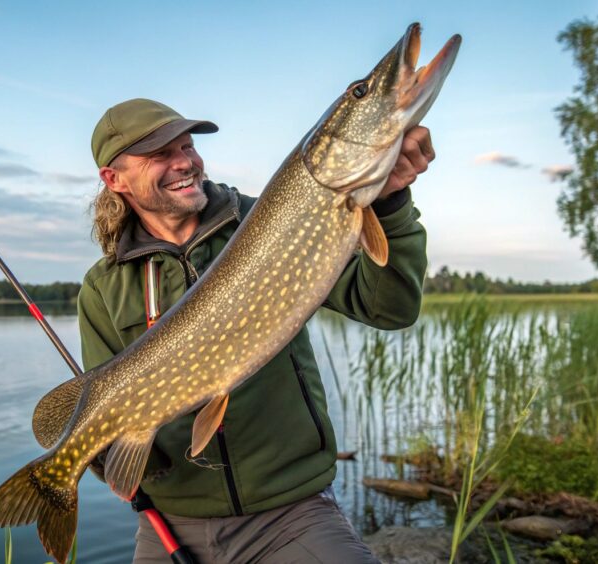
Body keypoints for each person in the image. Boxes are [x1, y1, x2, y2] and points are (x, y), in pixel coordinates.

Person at [78, 98, 430, 563]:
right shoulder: (103, 286)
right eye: (160, 154)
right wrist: (110, 456)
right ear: (114, 179)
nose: (184, 161)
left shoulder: (271, 219)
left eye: (186, 145)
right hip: (171, 525)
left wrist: (390, 203)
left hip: (292, 513)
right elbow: (104, 412)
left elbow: (390, 309)